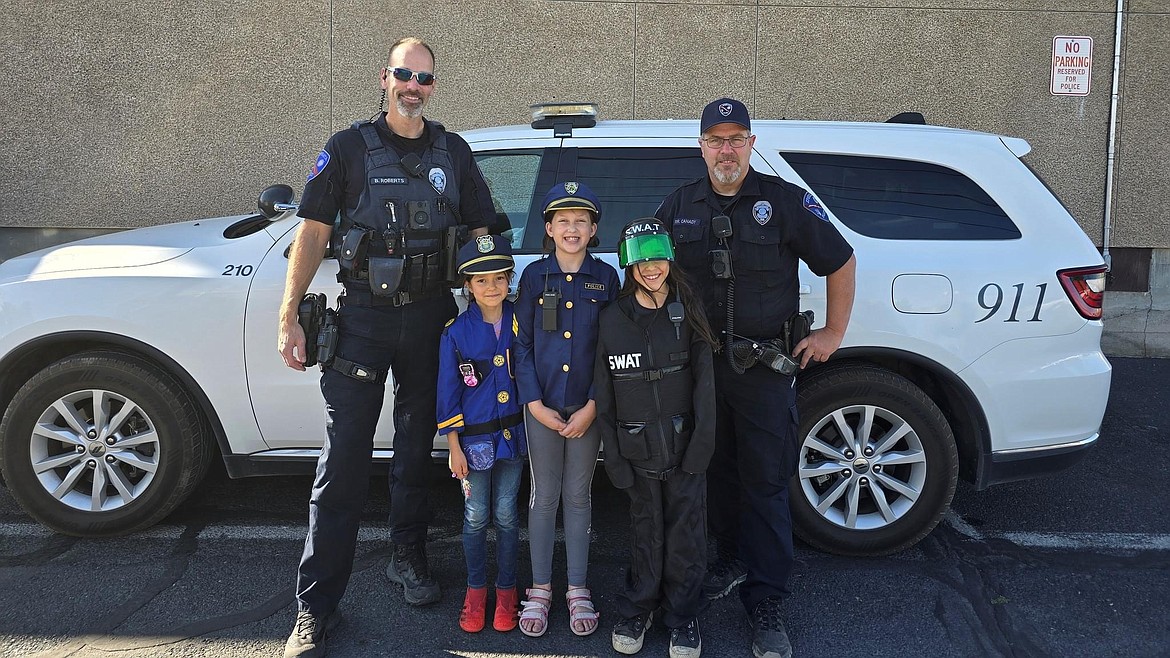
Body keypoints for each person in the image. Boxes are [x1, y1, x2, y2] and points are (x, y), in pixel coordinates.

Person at [276, 37, 493, 658]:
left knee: (415, 446)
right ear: (385, 78)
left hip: (431, 321)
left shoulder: (452, 151)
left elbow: (481, 231)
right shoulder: (347, 148)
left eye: (424, 78)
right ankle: (315, 607)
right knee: (342, 460)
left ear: (432, 86)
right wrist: (288, 317)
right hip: (364, 321)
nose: (413, 86)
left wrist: (489, 312)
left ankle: (409, 557)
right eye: (404, 75)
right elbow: (312, 233)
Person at [655, 98, 856, 658]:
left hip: (765, 369)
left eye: (736, 138)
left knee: (766, 481)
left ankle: (767, 600)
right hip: (699, 368)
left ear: (751, 143)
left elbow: (840, 260)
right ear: (701, 146)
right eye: (715, 139)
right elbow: (646, 270)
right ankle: (730, 557)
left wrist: (832, 334)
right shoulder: (678, 206)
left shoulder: (784, 202)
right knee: (714, 471)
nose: (726, 149)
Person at [594, 218, 719, 658]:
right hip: (636, 451)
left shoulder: (688, 309)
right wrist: (613, 458)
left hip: (686, 449)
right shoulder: (611, 320)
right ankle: (639, 605)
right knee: (646, 531)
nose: (651, 267)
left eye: (658, 257)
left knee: (687, 534)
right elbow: (603, 393)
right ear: (629, 264)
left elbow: (705, 383)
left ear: (669, 258)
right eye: (641, 259)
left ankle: (683, 614)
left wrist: (702, 446)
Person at [512, 181, 620, 638]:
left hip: (586, 408)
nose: (572, 229)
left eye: (581, 221)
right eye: (563, 221)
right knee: (543, 496)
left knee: (579, 497)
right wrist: (533, 404)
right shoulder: (534, 277)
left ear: (594, 229)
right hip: (543, 407)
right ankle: (540, 588)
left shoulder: (607, 278)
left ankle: (577, 587)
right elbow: (522, 344)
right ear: (550, 229)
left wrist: (595, 404)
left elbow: (613, 347)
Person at [437, 234, 528, 634]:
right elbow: (448, 391)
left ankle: (507, 592)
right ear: (467, 287)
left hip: (514, 438)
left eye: (499, 278)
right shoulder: (455, 333)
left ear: (510, 280)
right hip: (472, 443)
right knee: (475, 517)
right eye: (481, 280)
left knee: (507, 516)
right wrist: (453, 445)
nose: (492, 287)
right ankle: (476, 591)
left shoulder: (522, 319)